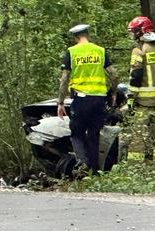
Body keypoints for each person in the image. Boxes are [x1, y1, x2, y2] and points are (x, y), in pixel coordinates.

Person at [57, 24, 119, 175]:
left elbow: (64, 79)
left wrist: (60, 102)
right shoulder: (100, 51)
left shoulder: (72, 52)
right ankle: (95, 171)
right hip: (99, 99)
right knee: (93, 134)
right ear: (87, 34)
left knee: (76, 133)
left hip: (81, 99)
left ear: (75, 37)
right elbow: (114, 75)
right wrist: (114, 92)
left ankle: (82, 164)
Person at [126, 16, 155, 160]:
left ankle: (135, 166)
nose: (133, 34)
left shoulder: (139, 51)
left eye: (134, 31)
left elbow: (135, 76)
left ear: (141, 31)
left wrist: (131, 98)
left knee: (138, 136)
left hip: (144, 103)